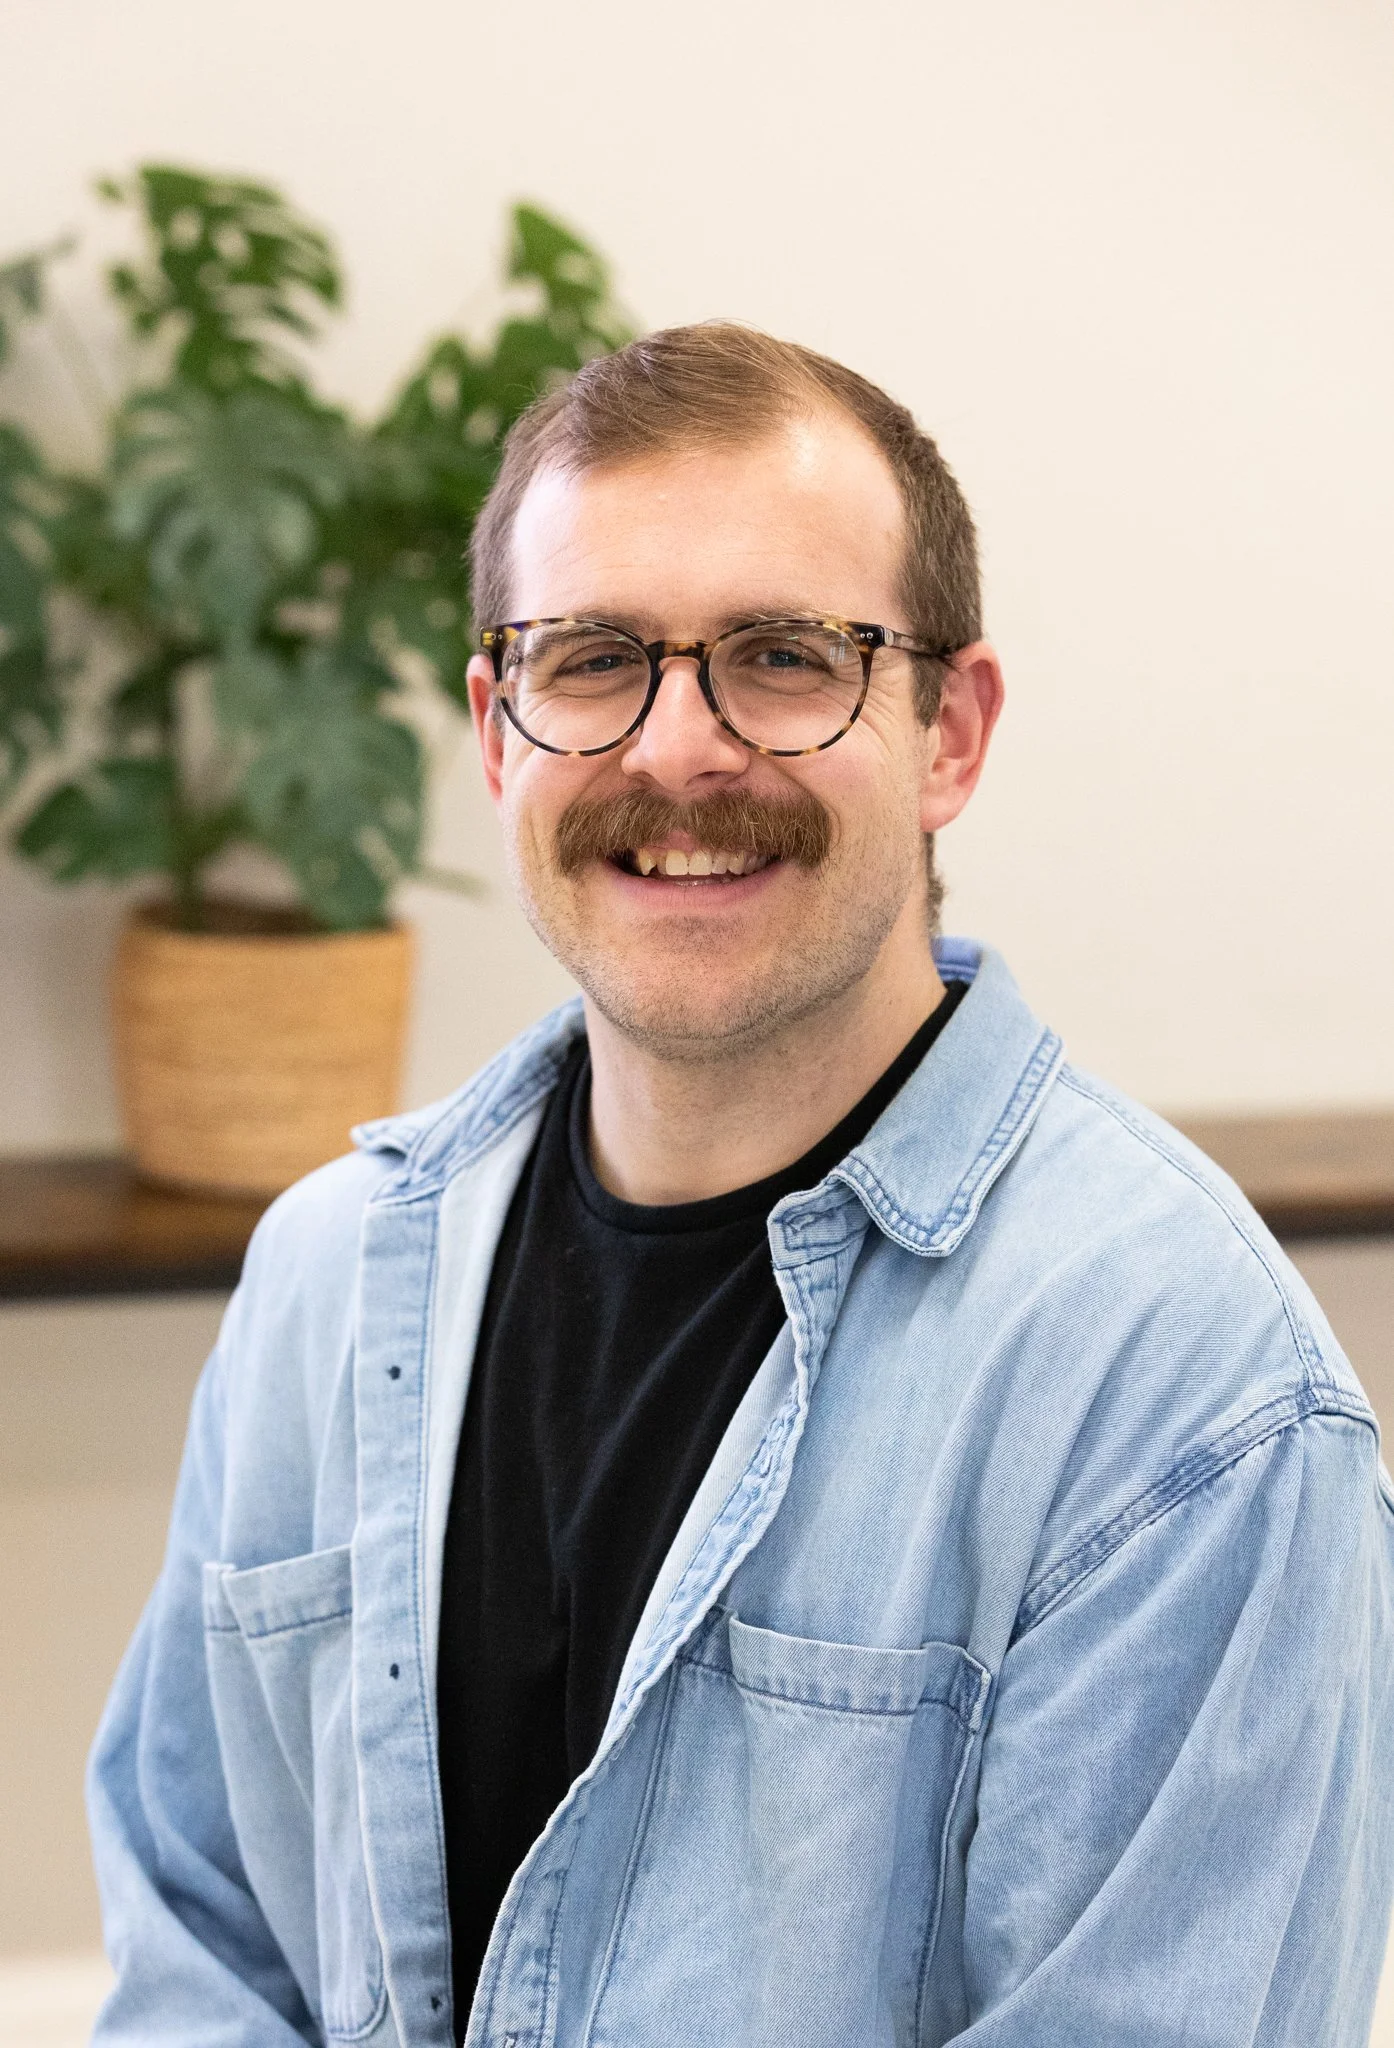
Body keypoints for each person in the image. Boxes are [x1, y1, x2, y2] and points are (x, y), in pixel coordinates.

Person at [88, 323, 1394, 2048]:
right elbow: (202, 1956)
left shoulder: (1185, 1400)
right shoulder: (329, 1283)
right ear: (498, 734)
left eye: (784, 657)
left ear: (948, 732)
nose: (676, 750)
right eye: (593, 658)